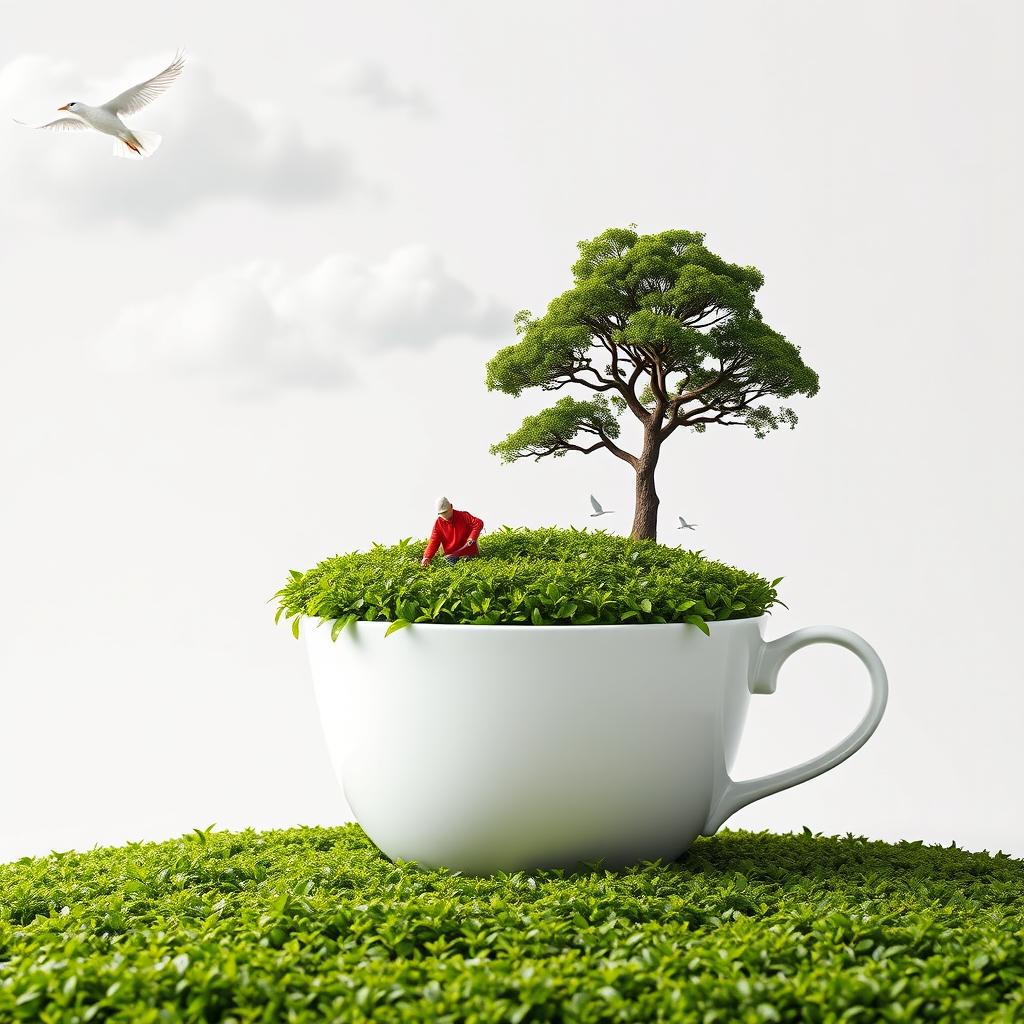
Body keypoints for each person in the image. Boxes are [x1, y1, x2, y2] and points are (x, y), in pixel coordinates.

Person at [421, 496, 484, 566]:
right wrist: (427, 557)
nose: (444, 515)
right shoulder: (438, 524)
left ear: (451, 506)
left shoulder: (463, 516)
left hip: (469, 554)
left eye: (445, 512)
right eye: (441, 513)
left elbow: (478, 523)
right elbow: (434, 541)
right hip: (451, 557)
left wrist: (472, 537)